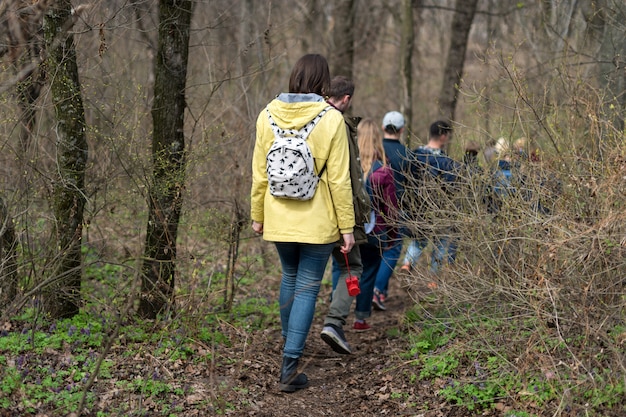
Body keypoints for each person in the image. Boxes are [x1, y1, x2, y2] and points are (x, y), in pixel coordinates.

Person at [250, 54, 355, 392]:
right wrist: (347, 227)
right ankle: (289, 366)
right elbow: (339, 180)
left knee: (289, 277)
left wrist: (257, 215)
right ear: (323, 83)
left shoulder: (266, 115)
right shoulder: (332, 120)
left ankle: (289, 342)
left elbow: (259, 174)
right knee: (308, 284)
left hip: (279, 216)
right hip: (318, 219)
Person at [319, 76, 371, 355]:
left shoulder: (306, 117)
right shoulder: (338, 123)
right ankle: (334, 323)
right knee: (351, 266)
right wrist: (349, 225)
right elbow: (346, 178)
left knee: (301, 274)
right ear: (347, 99)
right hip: (335, 214)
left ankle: (290, 338)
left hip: (300, 212)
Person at [401, 120, 461, 274]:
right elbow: (451, 187)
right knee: (441, 242)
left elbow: (406, 180)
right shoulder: (446, 161)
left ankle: (407, 263)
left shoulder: (414, 155)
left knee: (419, 239)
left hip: (418, 207)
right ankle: (433, 278)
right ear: (443, 136)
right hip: (439, 209)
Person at [371, 111, 409, 311]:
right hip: (397, 208)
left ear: (383, 127)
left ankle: (379, 292)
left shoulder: (376, 150)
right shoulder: (406, 154)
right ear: (402, 130)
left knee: (377, 252)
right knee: (392, 251)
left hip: (374, 209)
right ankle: (376, 289)